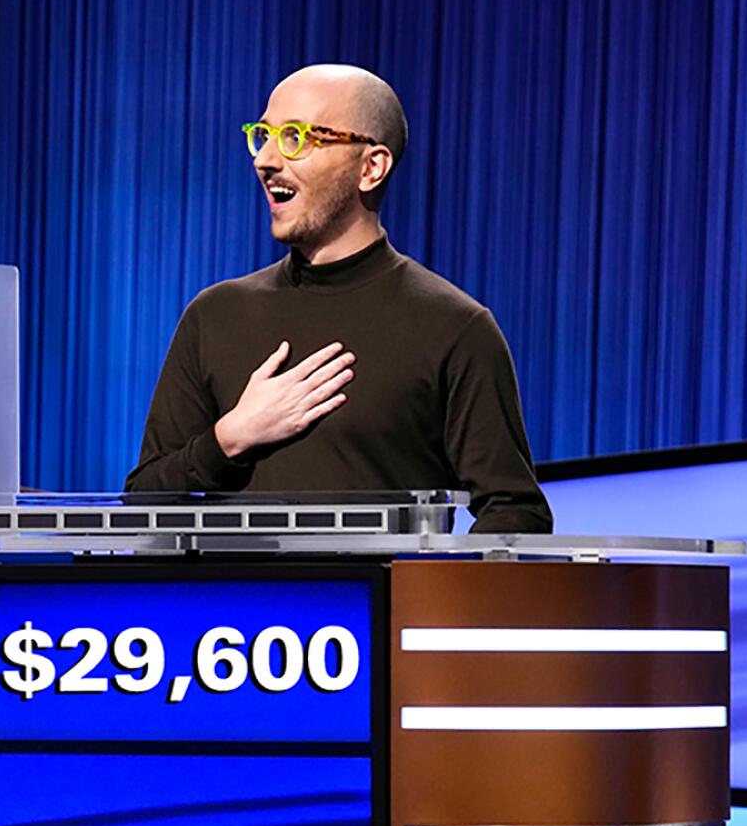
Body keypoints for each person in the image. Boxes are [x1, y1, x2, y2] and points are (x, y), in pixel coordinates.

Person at [125, 64, 552, 532]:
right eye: (262, 135)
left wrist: (421, 600)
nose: (264, 159)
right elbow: (144, 500)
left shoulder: (454, 327)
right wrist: (230, 437)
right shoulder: (214, 315)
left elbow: (515, 512)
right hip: (236, 606)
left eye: (294, 138)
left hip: (376, 605)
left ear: (371, 168)